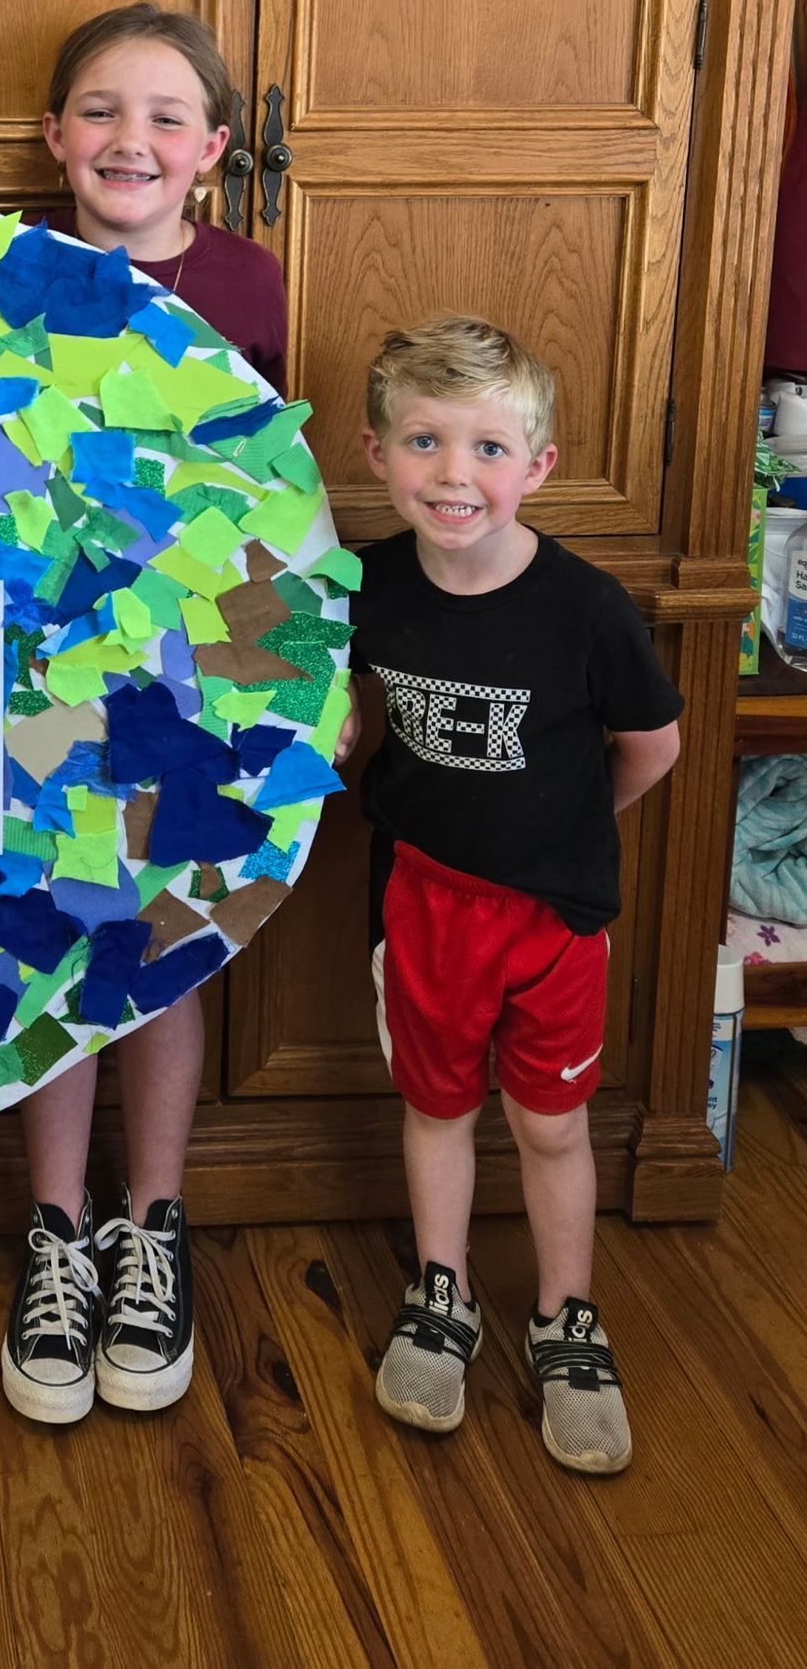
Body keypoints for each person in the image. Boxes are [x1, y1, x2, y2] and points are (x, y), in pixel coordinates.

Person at [0, 4, 298, 1424]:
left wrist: (297, 678)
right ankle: (55, 1233)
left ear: (215, 151)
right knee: (38, 931)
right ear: (54, 136)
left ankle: (152, 1227)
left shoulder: (246, 282)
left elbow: (271, 495)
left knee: (165, 939)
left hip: (181, 667)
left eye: (168, 117)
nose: (132, 139)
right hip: (9, 667)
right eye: (101, 111)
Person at [353, 316, 682, 1475]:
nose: (455, 475)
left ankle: (565, 1317)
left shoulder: (585, 608)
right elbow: (340, 709)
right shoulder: (367, 585)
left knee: (550, 1122)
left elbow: (653, 746)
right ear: (377, 453)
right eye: (425, 442)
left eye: (488, 449)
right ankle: (441, 1294)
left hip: (552, 916)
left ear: (537, 466)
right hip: (422, 905)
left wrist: (571, 831)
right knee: (438, 1105)